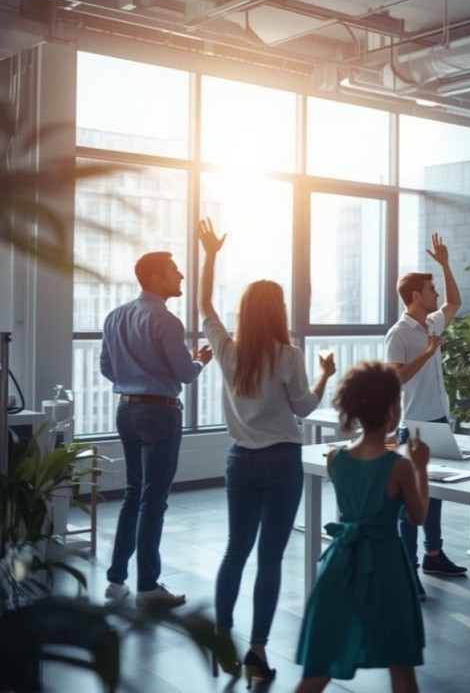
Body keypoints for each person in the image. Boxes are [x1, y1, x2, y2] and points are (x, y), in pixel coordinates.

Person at [197, 219, 336, 682]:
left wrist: (210, 253)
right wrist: (325, 374)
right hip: (281, 461)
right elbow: (306, 407)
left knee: (235, 551)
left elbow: (202, 304)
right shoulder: (289, 356)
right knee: (270, 558)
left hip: (239, 460)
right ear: (276, 311)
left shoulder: (227, 350)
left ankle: (221, 639)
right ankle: (256, 651)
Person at [295, 362, 429, 693]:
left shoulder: (335, 459)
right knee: (401, 665)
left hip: (341, 564)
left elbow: (360, 480)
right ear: (392, 409)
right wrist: (421, 468)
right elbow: (419, 515)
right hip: (386, 567)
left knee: (319, 667)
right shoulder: (398, 467)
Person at [100, 250, 212, 608]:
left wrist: (133, 379)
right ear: (154, 278)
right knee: (153, 500)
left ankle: (116, 582)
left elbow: (106, 366)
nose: (180, 276)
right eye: (174, 271)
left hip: (126, 411)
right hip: (160, 413)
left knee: (134, 495)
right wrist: (200, 360)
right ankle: (148, 587)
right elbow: (184, 375)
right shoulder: (166, 320)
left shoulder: (116, 316)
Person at [385, 233, 466, 578]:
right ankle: (408, 568)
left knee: (435, 495)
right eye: (431, 290)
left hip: (439, 421)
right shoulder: (398, 334)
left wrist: (445, 265)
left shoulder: (432, 322)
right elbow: (395, 379)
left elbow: (456, 302)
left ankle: (434, 554)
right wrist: (428, 353)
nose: (437, 295)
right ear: (416, 295)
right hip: (414, 425)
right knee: (411, 501)